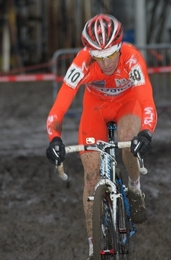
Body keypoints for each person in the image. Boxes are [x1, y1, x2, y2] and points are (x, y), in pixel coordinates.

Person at [46, 14, 157, 260]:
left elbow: (147, 102)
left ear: (120, 47)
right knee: (90, 176)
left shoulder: (132, 59)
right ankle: (92, 246)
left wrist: (146, 133)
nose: (106, 62)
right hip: (95, 107)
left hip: (127, 103)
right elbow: (59, 107)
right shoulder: (82, 63)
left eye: (110, 55)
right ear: (89, 52)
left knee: (129, 139)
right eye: (99, 56)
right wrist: (54, 137)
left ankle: (135, 186)